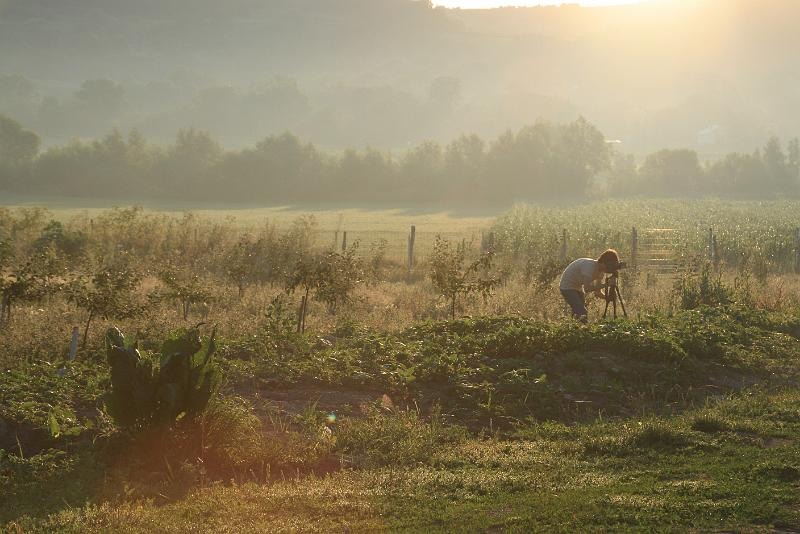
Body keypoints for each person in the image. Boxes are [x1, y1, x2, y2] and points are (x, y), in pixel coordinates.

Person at [558, 249, 621, 323]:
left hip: (578, 286)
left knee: (578, 313)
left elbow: (598, 293)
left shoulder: (601, 272)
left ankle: (574, 330)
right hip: (567, 286)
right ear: (604, 262)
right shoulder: (589, 266)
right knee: (582, 312)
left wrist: (607, 297)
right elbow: (587, 289)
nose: (609, 269)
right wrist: (606, 285)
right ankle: (581, 331)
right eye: (610, 266)